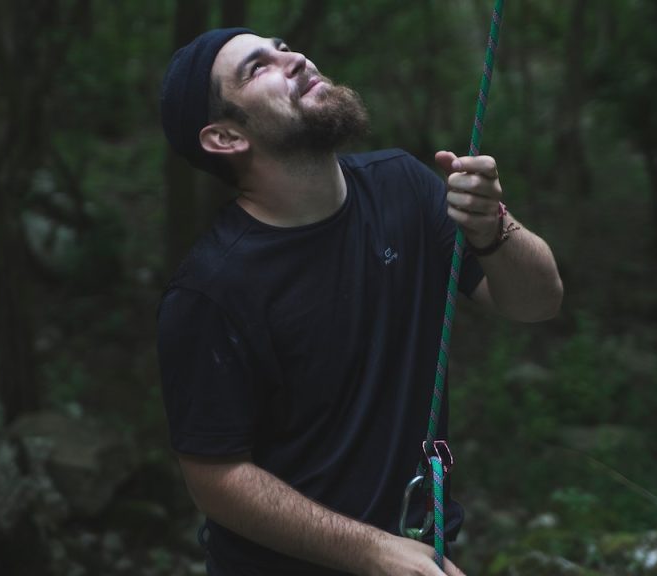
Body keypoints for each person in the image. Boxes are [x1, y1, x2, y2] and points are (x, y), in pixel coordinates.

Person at [156, 28, 563, 576]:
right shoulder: (211, 290)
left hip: (416, 555)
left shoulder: (403, 186)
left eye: (283, 45)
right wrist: (372, 550)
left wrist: (493, 229)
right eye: (259, 68)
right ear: (225, 137)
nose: (294, 57)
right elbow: (214, 477)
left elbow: (537, 302)